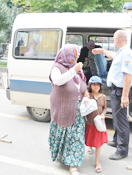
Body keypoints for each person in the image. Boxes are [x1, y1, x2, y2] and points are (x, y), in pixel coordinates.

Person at [92, 30, 132, 160]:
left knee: (121, 121)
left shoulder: (126, 53)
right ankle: (117, 141)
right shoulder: (122, 52)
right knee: (116, 118)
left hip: (120, 91)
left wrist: (125, 96)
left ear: (116, 39)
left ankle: (122, 150)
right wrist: (102, 51)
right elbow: (113, 55)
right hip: (115, 90)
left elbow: (128, 75)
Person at [48, 44, 87, 175]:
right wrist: (73, 70)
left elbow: (81, 85)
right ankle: (62, 155)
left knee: (76, 137)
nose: (77, 57)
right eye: (75, 55)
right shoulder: (57, 67)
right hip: (63, 108)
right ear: (68, 55)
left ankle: (73, 165)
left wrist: (85, 93)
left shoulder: (77, 70)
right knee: (64, 135)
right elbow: (58, 81)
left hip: (78, 111)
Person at [85, 76, 108, 173]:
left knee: (98, 143)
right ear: (90, 85)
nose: (96, 86)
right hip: (89, 123)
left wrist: (103, 114)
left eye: (98, 84)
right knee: (90, 139)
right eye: (94, 84)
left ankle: (97, 162)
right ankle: (90, 147)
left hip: (99, 124)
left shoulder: (103, 97)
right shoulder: (87, 96)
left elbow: (105, 108)